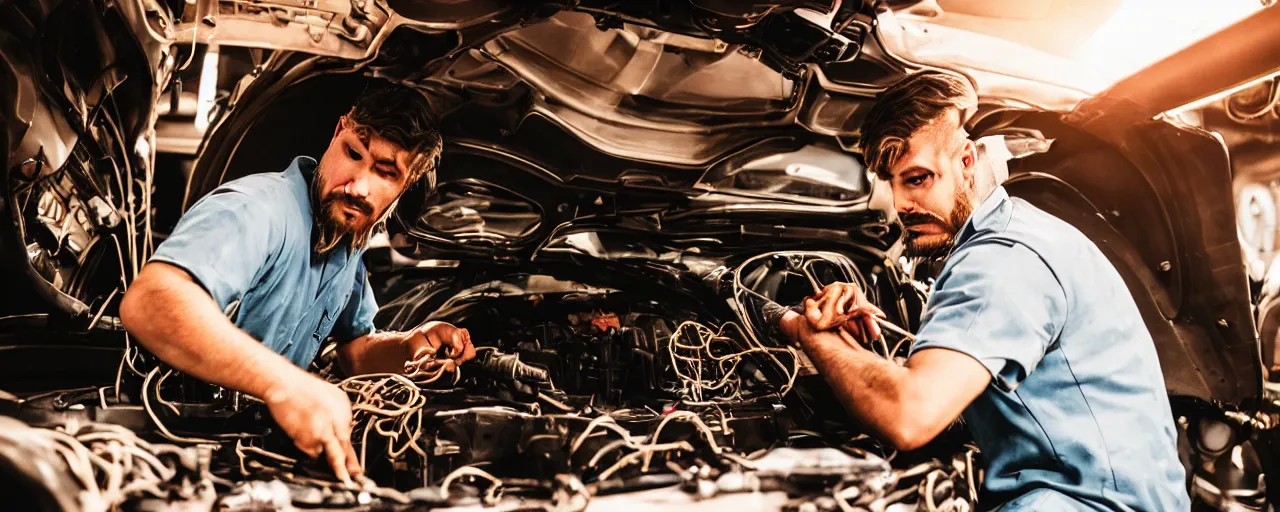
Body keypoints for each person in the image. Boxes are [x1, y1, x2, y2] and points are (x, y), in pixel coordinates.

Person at [766, 72, 1190, 511]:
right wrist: (862, 354)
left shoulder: (1003, 261)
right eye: (892, 183)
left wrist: (810, 335)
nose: (901, 206)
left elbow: (909, 416)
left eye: (918, 179)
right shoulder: (1021, 231)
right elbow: (949, 397)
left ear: (966, 162)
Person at [119, 82, 476, 485]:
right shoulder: (257, 209)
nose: (357, 185)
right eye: (353, 154)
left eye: (385, 172)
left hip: (255, 456)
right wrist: (284, 383)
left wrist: (411, 344)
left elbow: (355, 353)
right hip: (177, 450)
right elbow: (150, 301)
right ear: (337, 132)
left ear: (406, 186)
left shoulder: (346, 241)